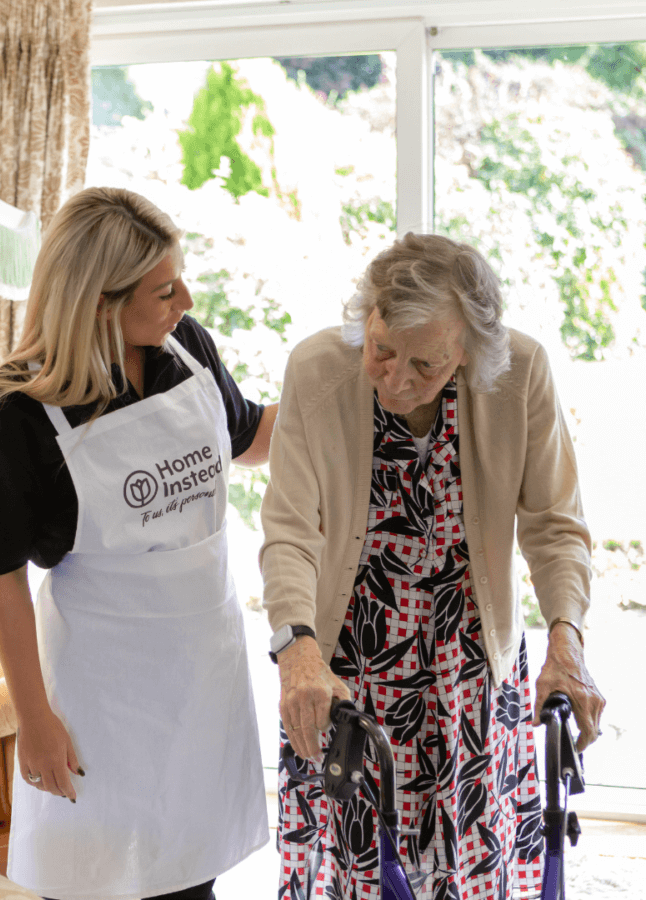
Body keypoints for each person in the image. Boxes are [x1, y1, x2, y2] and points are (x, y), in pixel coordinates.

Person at [259, 232, 606, 900]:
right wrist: (296, 650)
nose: (396, 378)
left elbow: (555, 525)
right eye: (383, 351)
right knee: (354, 878)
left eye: (424, 363)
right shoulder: (315, 370)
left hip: (473, 679)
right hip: (349, 680)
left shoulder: (521, 372)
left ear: (470, 350)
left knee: (473, 873)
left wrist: (567, 640)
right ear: (367, 320)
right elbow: (289, 532)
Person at [0, 186, 276, 900]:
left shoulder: (183, 350)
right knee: (96, 880)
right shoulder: (10, 417)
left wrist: (347, 397)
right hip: (103, 696)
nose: (187, 301)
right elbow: (2, 579)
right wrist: (34, 721)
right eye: (165, 290)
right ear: (99, 301)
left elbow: (250, 436)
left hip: (203, 680)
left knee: (192, 878)